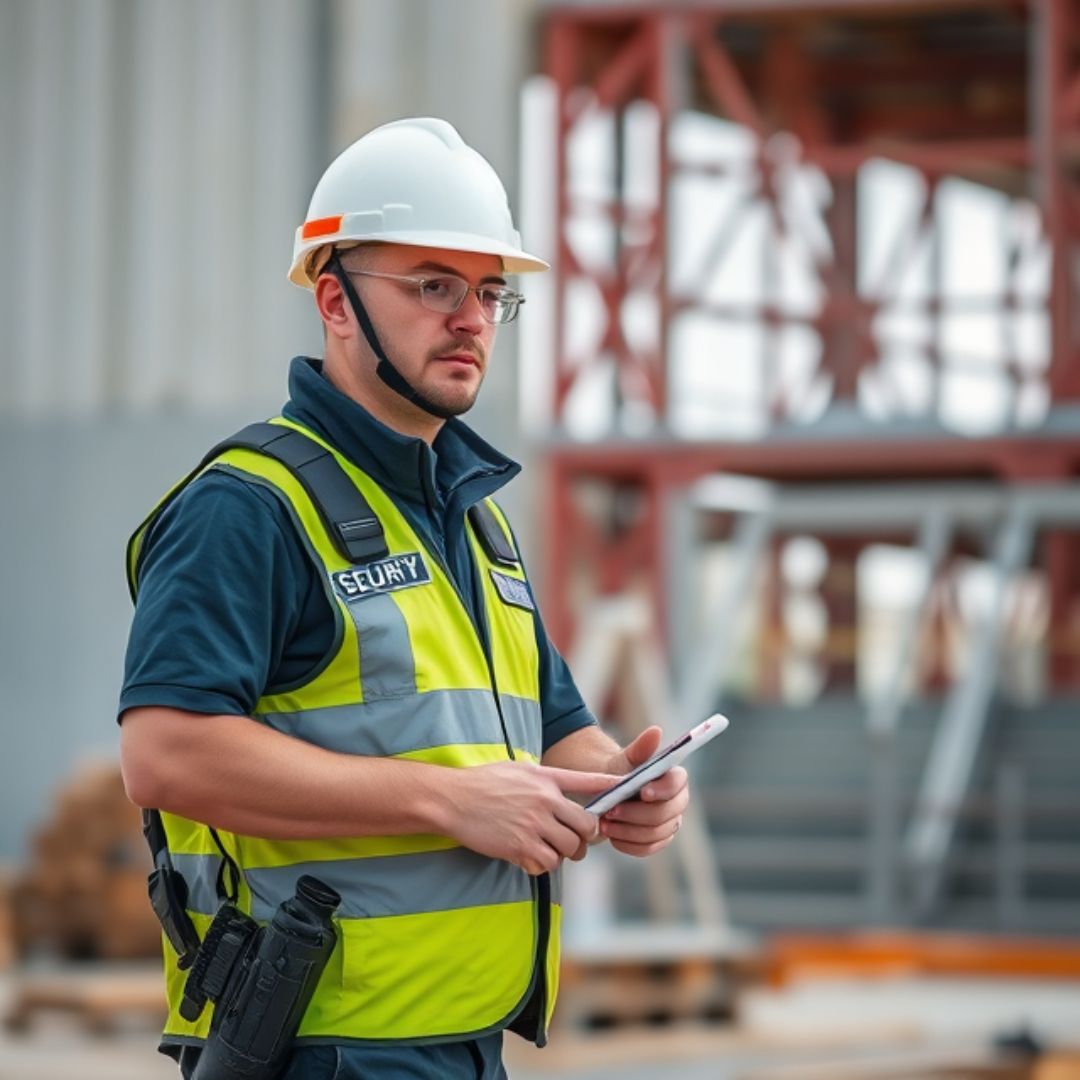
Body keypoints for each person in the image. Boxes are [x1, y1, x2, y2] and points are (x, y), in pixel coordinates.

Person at [119, 117, 690, 1080]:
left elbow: (555, 734)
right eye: (433, 285)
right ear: (336, 302)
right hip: (320, 1049)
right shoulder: (250, 508)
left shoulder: (474, 524)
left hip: (466, 1042)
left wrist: (622, 783)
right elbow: (165, 752)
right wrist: (447, 800)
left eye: (489, 292)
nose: (471, 317)